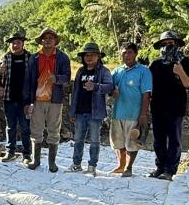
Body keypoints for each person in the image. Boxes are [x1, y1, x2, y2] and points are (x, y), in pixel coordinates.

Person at [148, 30, 189, 180]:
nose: (168, 46)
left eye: (171, 43)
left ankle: (171, 169)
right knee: (158, 140)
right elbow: (148, 86)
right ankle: (160, 167)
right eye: (164, 43)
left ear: (177, 44)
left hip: (175, 108)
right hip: (157, 107)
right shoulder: (155, 65)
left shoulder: (186, 62)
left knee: (174, 140)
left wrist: (181, 72)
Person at [24, 27, 71, 172]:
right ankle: (36, 160)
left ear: (56, 40)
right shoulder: (34, 57)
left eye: (51, 37)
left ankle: (52, 162)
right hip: (37, 99)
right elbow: (28, 81)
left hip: (55, 100)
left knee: (54, 131)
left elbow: (67, 78)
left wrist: (56, 78)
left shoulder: (63, 57)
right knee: (36, 130)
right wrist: (27, 102)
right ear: (41, 40)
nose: (48, 39)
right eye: (45, 37)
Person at [68, 42, 114, 175]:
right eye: (86, 55)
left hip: (95, 112)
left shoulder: (104, 71)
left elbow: (109, 87)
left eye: (92, 55)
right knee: (78, 140)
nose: (89, 58)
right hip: (80, 111)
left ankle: (92, 166)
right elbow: (75, 91)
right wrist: (72, 110)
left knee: (95, 140)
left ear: (98, 56)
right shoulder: (80, 71)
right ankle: (76, 164)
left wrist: (95, 86)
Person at [108, 43, 152, 177]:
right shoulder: (116, 71)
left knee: (132, 142)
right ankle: (121, 165)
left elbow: (146, 94)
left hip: (134, 113)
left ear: (136, 54)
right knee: (118, 141)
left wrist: (143, 114)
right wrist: (111, 92)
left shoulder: (144, 71)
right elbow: (109, 88)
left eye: (130, 52)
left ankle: (129, 167)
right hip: (117, 112)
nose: (127, 55)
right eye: (124, 52)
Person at [0, 29, 32, 162]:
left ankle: (27, 154)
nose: (15, 45)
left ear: (23, 44)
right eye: (12, 43)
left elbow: (34, 77)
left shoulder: (30, 57)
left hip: (25, 100)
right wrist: (0, 71)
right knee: (10, 127)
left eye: (18, 43)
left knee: (25, 127)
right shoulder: (5, 57)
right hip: (9, 97)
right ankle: (10, 152)